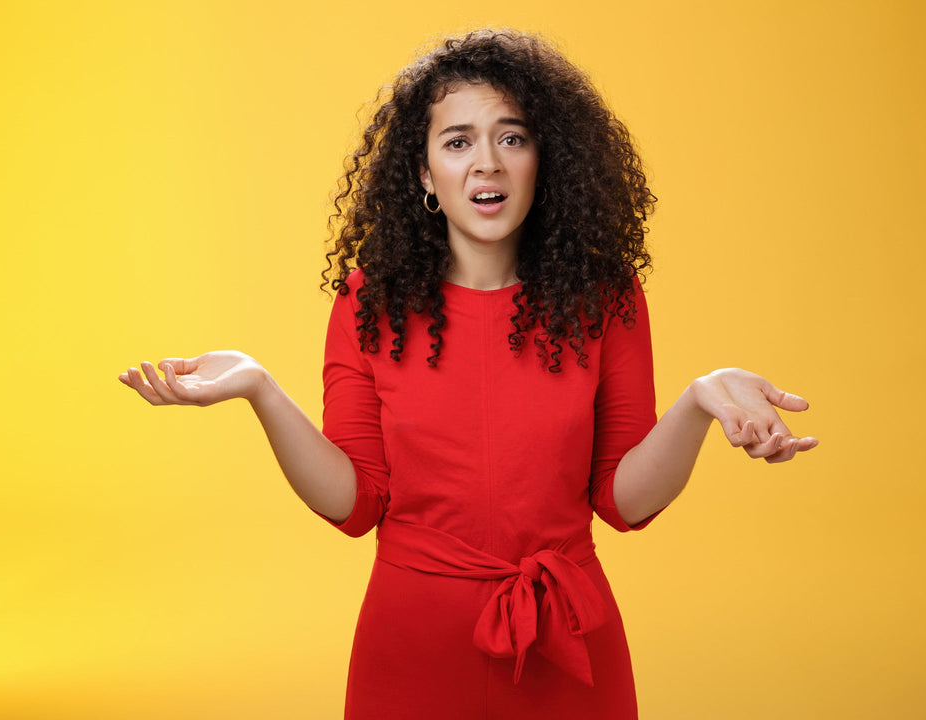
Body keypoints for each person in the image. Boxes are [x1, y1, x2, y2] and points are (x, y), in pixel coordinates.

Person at [119, 29, 817, 719]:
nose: (487, 163)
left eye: (512, 138)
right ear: (424, 172)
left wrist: (697, 405)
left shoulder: (606, 298)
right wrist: (258, 388)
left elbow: (623, 501)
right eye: (457, 142)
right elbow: (355, 503)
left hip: (569, 646)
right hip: (412, 649)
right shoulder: (370, 301)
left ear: (545, 158)